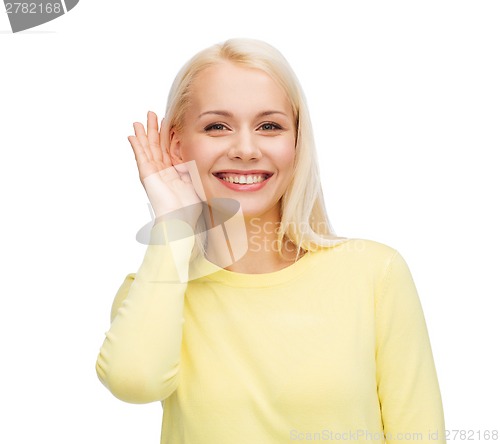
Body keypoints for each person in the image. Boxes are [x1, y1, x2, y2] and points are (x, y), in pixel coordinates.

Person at [95, 38, 446, 444]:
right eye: (217, 126)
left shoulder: (373, 274)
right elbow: (133, 383)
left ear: (296, 142)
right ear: (176, 144)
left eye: (269, 126)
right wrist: (173, 227)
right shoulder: (158, 289)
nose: (246, 149)